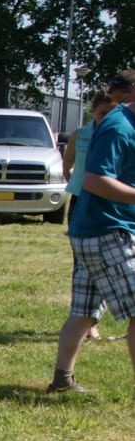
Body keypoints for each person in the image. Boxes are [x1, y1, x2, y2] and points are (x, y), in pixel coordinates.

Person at [47, 71, 135, 393]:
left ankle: (62, 381)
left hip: (95, 231)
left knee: (84, 313)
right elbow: (95, 180)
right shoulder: (118, 127)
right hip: (105, 232)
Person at [63, 89, 115, 341]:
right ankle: (85, 319)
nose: (106, 118)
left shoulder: (117, 134)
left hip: (107, 204)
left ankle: (94, 322)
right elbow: (68, 165)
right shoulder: (79, 135)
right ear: (93, 110)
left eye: (111, 113)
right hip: (80, 202)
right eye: (103, 112)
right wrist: (75, 182)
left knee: (107, 266)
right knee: (81, 264)